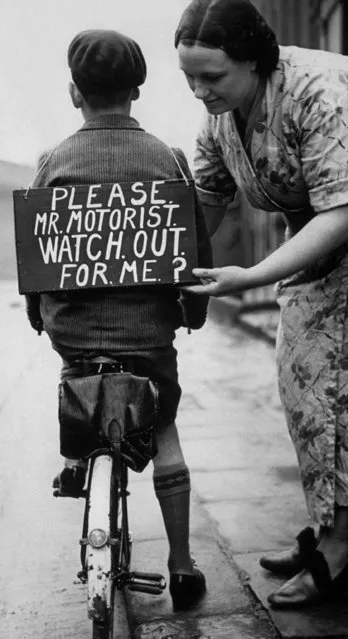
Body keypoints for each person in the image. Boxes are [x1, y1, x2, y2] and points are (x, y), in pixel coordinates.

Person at [25, 28, 212, 611]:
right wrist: (194, 314)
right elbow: (195, 256)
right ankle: (181, 567)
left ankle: (79, 459)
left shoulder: (51, 162)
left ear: (74, 93)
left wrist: (41, 318)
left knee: (77, 384)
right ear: (137, 90)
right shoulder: (168, 159)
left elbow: (39, 264)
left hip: (77, 344)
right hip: (148, 344)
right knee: (165, 432)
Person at [175, 0, 348, 609]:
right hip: (312, 251)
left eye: (212, 76)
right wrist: (164, 266)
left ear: (254, 60)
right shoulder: (221, 116)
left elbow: (340, 212)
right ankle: (330, 527)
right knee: (305, 393)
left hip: (336, 232)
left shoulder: (316, 87)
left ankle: (339, 548)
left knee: (334, 397)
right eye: (189, 78)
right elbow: (207, 200)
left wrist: (248, 277)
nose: (199, 90)